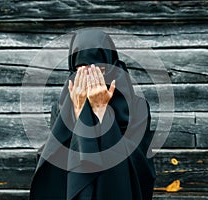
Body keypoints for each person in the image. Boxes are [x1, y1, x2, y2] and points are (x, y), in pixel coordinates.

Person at [29, 29, 156, 200]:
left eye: (99, 70)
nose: (90, 78)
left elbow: (138, 165)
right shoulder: (60, 108)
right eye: (82, 71)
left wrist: (101, 112)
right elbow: (55, 161)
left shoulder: (137, 107)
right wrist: (78, 112)